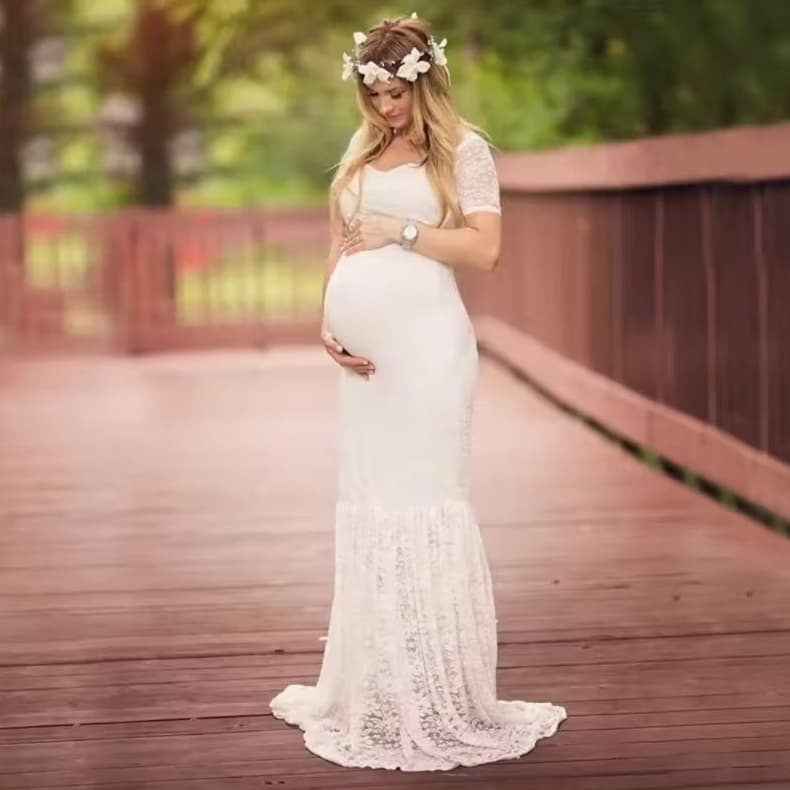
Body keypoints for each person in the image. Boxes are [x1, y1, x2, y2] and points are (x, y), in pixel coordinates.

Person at [269, 12, 567, 771]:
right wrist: (326, 319)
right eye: (370, 94)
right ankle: (375, 685)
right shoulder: (362, 147)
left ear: (423, 82)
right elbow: (340, 237)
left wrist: (400, 234)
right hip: (365, 366)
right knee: (373, 503)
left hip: (430, 354)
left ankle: (441, 693)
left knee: (426, 500)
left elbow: (486, 250)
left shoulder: (465, 152)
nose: (381, 109)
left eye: (393, 94)